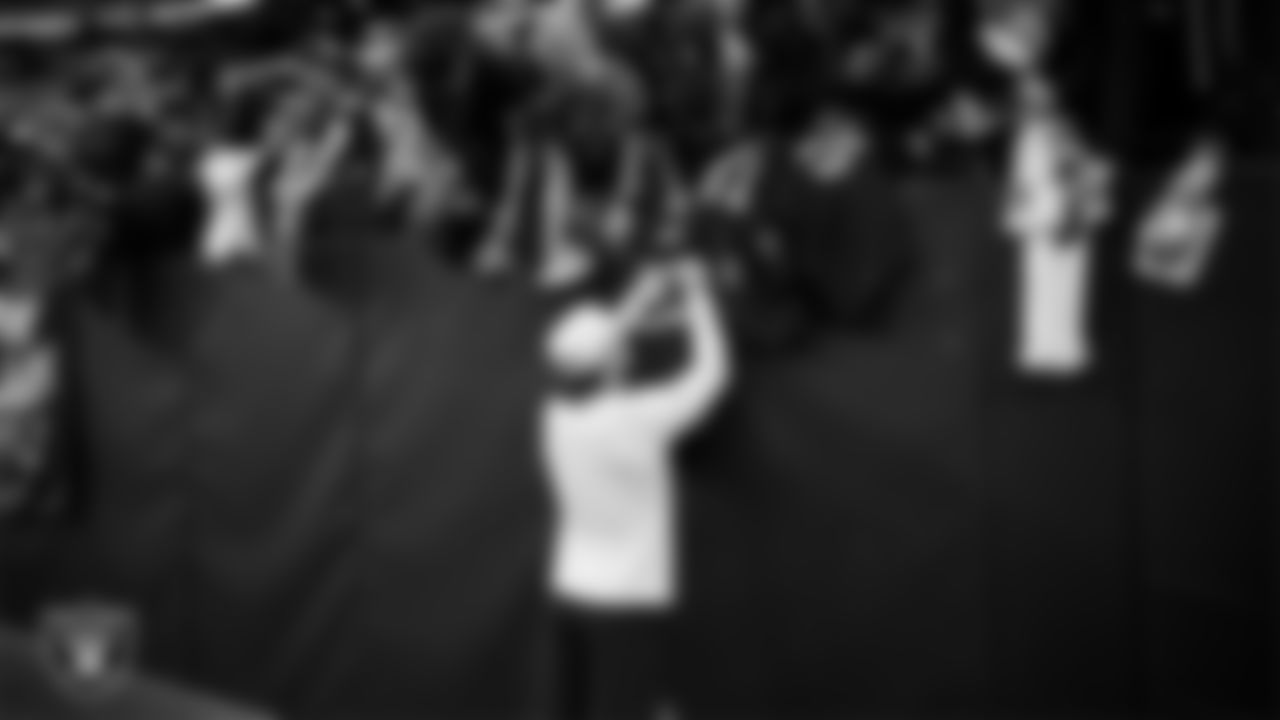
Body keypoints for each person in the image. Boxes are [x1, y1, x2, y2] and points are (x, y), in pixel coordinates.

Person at [541, 254, 731, 720]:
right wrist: (699, 293)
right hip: (625, 606)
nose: (622, 342)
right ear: (611, 363)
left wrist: (642, 300)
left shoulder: (553, 416)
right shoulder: (638, 419)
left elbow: (594, 351)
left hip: (571, 593)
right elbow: (713, 373)